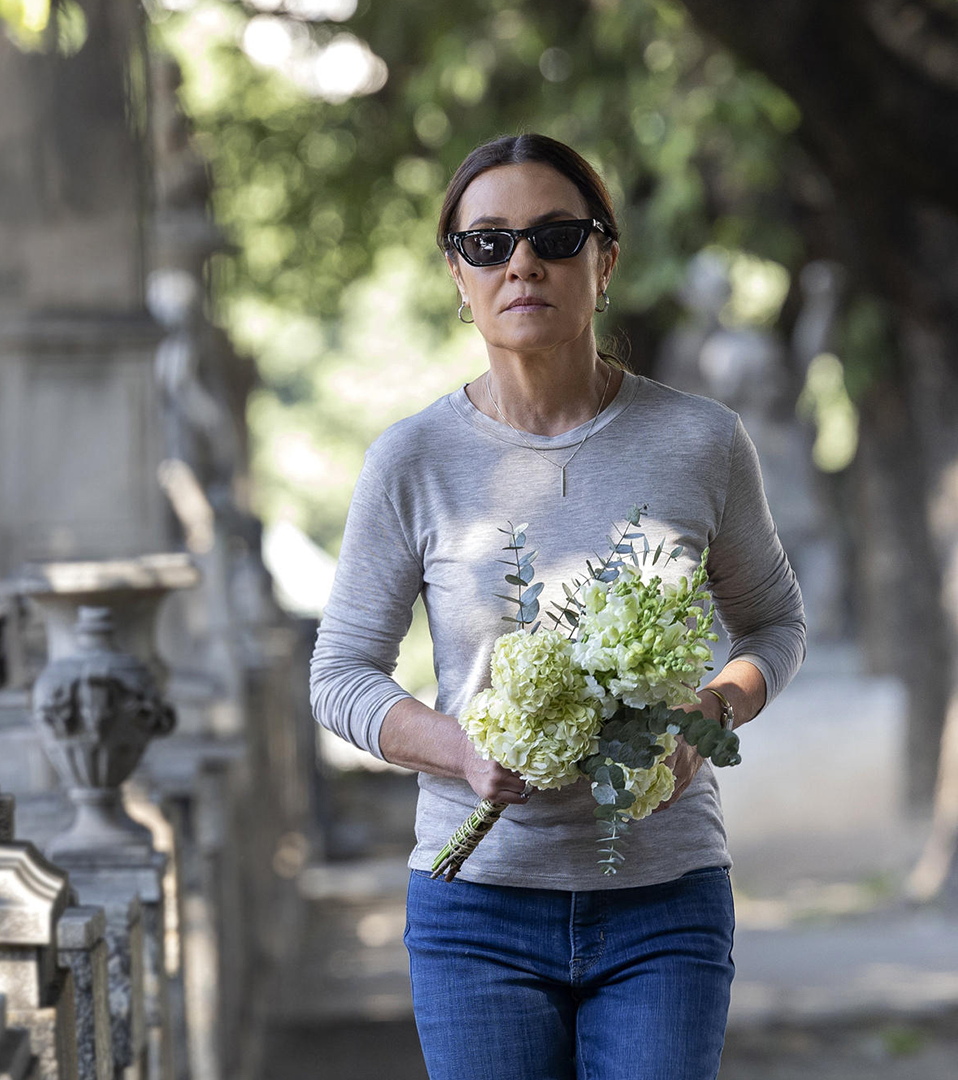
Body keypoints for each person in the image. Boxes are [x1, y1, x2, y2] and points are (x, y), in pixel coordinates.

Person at [308, 132, 806, 1080]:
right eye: (487, 243)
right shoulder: (410, 461)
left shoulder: (702, 441)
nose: (522, 262)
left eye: (555, 236)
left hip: (665, 902)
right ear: (458, 275)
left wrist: (715, 710)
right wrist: (459, 749)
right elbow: (338, 677)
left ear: (604, 259)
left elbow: (774, 625)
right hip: (476, 915)